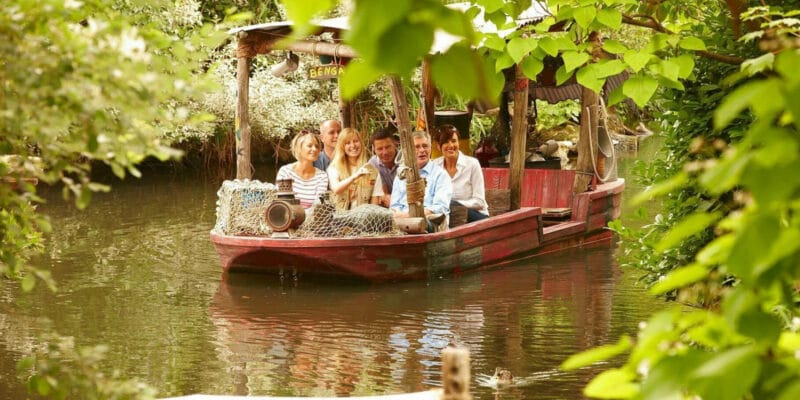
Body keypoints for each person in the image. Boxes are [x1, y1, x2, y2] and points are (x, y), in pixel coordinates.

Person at [390, 131, 452, 230]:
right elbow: (394, 207)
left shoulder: (440, 175)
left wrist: (410, 216)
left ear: (430, 148)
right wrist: (404, 217)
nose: (422, 150)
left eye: (425, 146)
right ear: (409, 151)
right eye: (417, 147)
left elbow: (440, 208)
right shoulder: (401, 175)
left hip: (430, 225)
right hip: (402, 223)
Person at [432, 124, 489, 223]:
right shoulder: (434, 166)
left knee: (449, 207)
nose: (451, 145)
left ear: (459, 143)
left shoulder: (472, 164)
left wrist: (455, 204)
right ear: (438, 146)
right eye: (445, 142)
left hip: (475, 217)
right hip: (447, 215)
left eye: (454, 141)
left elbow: (480, 202)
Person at [327, 128, 384, 210]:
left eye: (356, 141)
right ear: (342, 147)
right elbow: (336, 189)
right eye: (347, 143)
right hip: (339, 219)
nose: (353, 145)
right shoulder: (334, 168)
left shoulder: (373, 172)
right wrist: (355, 176)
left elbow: (373, 206)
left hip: (363, 218)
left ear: (361, 143)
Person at [276, 130, 329, 209]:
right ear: (299, 148)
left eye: (317, 146)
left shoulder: (322, 176)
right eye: (309, 146)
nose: (314, 149)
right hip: (289, 218)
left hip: (312, 219)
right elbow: (283, 203)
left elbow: (318, 205)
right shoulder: (285, 172)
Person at [368, 127, 398, 207]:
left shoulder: (406, 160)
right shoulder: (372, 164)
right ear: (374, 149)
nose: (385, 152)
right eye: (380, 149)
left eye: (388, 147)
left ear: (395, 144)